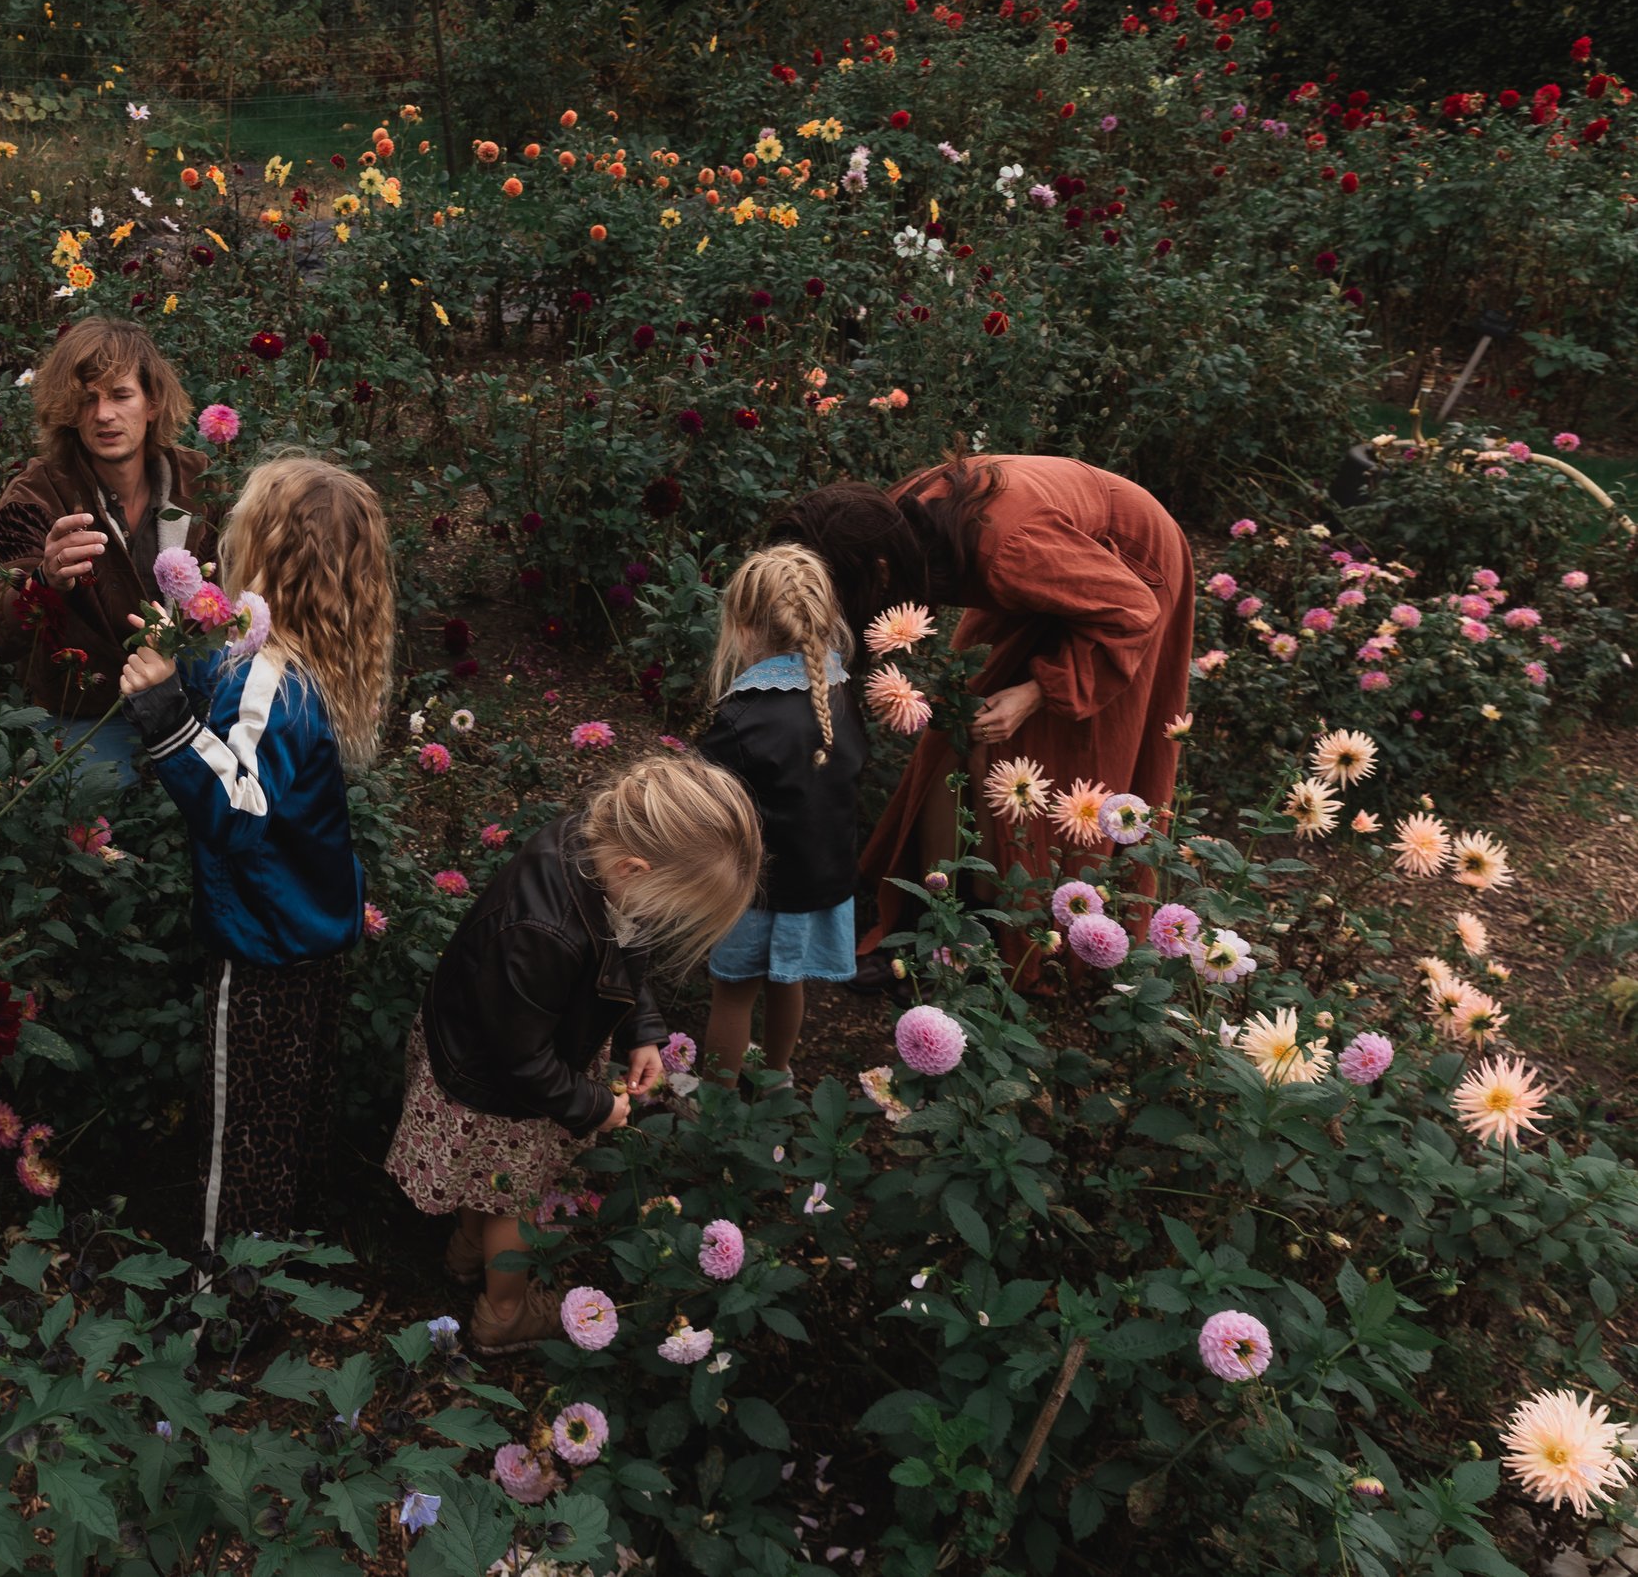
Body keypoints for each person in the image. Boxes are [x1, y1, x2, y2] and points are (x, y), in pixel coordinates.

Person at [385, 755, 761, 1354]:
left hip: (496, 1058)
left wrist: (643, 1028)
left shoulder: (596, 846)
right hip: (502, 1081)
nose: (660, 923)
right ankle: (503, 1312)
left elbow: (627, 944)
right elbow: (522, 1061)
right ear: (635, 868)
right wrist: (593, 1107)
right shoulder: (544, 930)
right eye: (667, 910)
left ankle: (464, 1251)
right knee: (514, 1196)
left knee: (484, 1180)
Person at [765, 454, 1194, 975]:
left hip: (1126, 571)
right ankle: (935, 925)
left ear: (876, 573)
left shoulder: (1008, 552)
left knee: (1023, 754)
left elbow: (1131, 611)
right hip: (1050, 553)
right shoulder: (882, 523)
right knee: (960, 728)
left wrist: (1036, 691)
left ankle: (1010, 943)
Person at [116, 456, 393, 1252]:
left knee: (240, 1139)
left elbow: (241, 806)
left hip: (267, 946)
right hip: (311, 930)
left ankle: (225, 1305)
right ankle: (284, 1267)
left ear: (265, 557)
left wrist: (164, 714)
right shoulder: (303, 660)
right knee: (288, 1117)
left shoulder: (269, 678)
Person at [0, 318, 217, 788]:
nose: (103, 414)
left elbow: (236, 595)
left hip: (193, 695)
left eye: (120, 395)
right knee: (89, 805)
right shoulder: (36, 494)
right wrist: (44, 580)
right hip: (89, 712)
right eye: (87, 399)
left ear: (152, 403)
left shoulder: (201, 482)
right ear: (68, 410)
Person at [694, 545, 866, 1087]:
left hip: (756, 890)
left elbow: (708, 810)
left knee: (733, 992)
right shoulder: (838, 696)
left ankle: (716, 1110)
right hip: (819, 886)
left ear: (743, 627)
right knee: (786, 982)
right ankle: (778, 1077)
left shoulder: (741, 719)